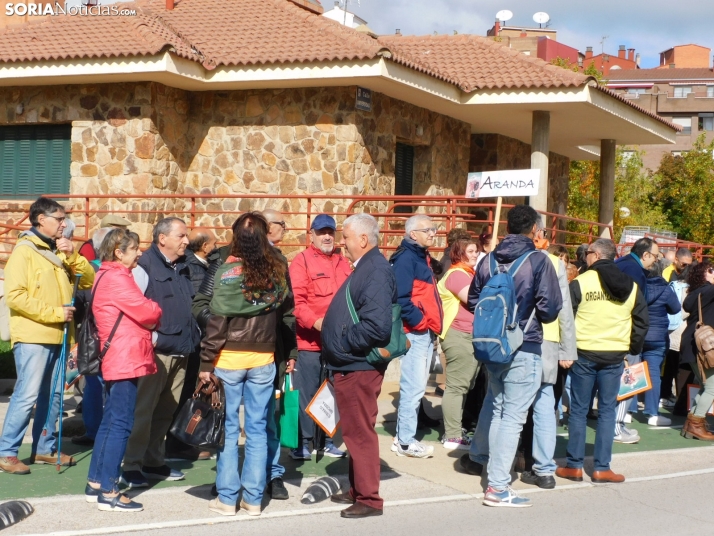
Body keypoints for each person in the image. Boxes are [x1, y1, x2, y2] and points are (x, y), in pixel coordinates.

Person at [460, 205, 562, 508]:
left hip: (492, 347)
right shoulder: (538, 261)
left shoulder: (488, 259)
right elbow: (550, 308)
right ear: (534, 229)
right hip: (524, 345)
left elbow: (475, 300)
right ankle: (498, 486)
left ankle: (494, 476)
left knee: (499, 409)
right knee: (513, 417)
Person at [192, 209, 296, 501]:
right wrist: (219, 321)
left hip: (235, 355)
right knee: (258, 428)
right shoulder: (226, 263)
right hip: (257, 355)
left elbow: (287, 313)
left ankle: (234, 493)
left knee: (236, 427)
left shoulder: (270, 265)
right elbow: (202, 303)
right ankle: (251, 497)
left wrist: (217, 334)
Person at [0, 197, 95, 474]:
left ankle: (44, 449)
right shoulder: (24, 251)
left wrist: (73, 255)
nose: (64, 224)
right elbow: (16, 297)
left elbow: (88, 279)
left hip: (60, 335)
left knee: (53, 395)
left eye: (64, 219)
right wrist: (54, 312)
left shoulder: (61, 251)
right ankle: (7, 452)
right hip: (33, 335)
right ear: (41, 219)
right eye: (59, 218)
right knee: (27, 395)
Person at [322, 213, 396, 519]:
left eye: (346, 237)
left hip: (358, 366)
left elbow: (377, 328)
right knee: (353, 429)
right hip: (351, 364)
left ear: (363, 239)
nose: (342, 242)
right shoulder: (368, 267)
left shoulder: (375, 270)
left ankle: (368, 498)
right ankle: (357, 488)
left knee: (359, 432)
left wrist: (341, 340)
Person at [556, 239, 648, 484]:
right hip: (615, 354)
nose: (585, 257)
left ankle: (574, 466)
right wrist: (631, 350)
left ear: (595, 255)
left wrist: (565, 350)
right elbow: (641, 322)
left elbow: (565, 318)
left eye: (587, 253)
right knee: (607, 412)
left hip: (584, 354)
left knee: (578, 410)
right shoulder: (631, 285)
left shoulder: (581, 282)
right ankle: (602, 467)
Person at [120, 217, 201, 488]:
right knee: (143, 411)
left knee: (166, 410)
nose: (186, 241)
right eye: (181, 236)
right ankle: (130, 464)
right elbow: (131, 310)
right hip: (155, 354)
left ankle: (153, 460)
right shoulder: (143, 267)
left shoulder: (183, 266)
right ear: (162, 238)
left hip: (181, 350)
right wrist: (152, 339)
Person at [85, 229, 162, 512]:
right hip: (124, 356)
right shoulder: (118, 277)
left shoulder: (106, 274)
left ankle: (96, 483)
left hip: (119, 354)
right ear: (119, 252)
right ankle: (109, 490)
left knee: (110, 422)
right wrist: (154, 307)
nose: (139, 253)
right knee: (121, 424)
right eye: (134, 249)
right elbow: (148, 312)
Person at [518, 225, 577, 489]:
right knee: (543, 402)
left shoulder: (501, 256)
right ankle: (544, 470)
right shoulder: (554, 262)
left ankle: (486, 458)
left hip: (511, 337)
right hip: (547, 337)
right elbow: (563, 309)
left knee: (503, 402)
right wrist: (568, 348)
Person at [288, 214, 351, 460]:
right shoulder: (301, 261)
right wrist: (316, 323)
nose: (327, 236)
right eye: (321, 232)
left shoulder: (342, 261)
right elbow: (297, 302)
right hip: (309, 342)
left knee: (332, 392)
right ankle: (302, 442)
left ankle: (325, 440)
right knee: (307, 392)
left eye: (330, 232)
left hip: (338, 343)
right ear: (311, 235)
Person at [390, 215, 443, 458]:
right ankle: (404, 442)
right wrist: (420, 322)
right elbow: (401, 298)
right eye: (428, 229)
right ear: (413, 234)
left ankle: (403, 437)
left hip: (424, 331)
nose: (433, 233)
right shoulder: (406, 259)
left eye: (434, 229)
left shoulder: (421, 256)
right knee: (413, 388)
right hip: (415, 332)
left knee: (417, 387)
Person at [614, 237, 660, 441]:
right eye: (655, 256)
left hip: (610, 333)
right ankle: (617, 426)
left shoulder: (621, 264)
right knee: (628, 381)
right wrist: (635, 340)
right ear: (645, 255)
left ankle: (617, 424)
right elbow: (636, 307)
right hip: (626, 335)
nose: (656, 260)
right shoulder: (635, 271)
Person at [436, 237, 479, 450]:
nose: (474, 255)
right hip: (458, 334)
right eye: (469, 251)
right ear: (458, 254)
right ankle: (452, 435)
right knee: (456, 386)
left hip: (467, 335)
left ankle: (455, 428)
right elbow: (474, 300)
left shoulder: (468, 274)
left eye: (475, 251)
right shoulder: (456, 275)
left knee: (463, 385)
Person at [641, 262, 680, 426]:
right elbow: (676, 308)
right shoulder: (666, 289)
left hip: (638, 335)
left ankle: (626, 410)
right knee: (653, 374)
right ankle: (652, 413)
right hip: (657, 337)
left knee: (631, 372)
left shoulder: (638, 287)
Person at [679, 262, 714, 440]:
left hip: (693, 345)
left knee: (706, 386)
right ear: (704, 274)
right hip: (703, 347)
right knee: (712, 388)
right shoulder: (708, 291)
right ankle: (696, 423)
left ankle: (691, 425)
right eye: (711, 270)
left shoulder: (696, 293)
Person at [185, 228, 217, 293]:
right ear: (204, 246)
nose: (216, 247)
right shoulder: (195, 272)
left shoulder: (203, 263)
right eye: (214, 244)